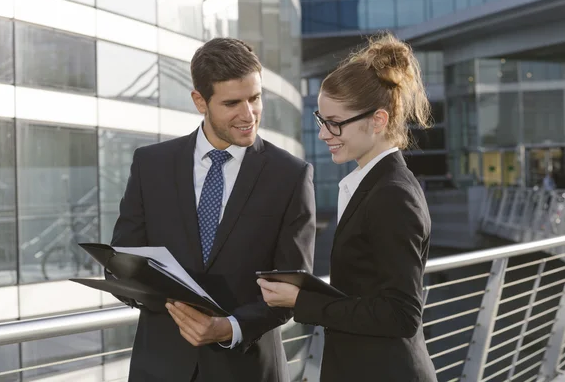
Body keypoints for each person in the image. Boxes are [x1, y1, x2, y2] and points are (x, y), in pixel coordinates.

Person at [108, 37, 316, 382]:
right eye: (232, 102)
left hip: (248, 369)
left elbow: (291, 288)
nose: (248, 114)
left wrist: (229, 327)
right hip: (160, 368)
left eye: (255, 98)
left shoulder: (291, 175)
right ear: (199, 101)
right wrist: (128, 282)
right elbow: (125, 259)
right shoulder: (150, 165)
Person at [258, 32, 438, 381]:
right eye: (321, 120)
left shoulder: (392, 195)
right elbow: (367, 289)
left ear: (378, 121)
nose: (324, 134)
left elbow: (401, 314)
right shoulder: (370, 185)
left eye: (335, 123)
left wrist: (301, 302)